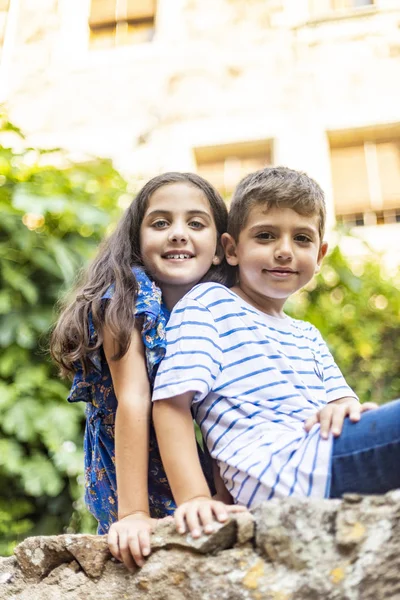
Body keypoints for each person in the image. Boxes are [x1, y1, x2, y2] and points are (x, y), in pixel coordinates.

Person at [152, 166, 400, 538]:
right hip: (288, 472)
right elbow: (171, 404)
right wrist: (195, 498)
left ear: (319, 256)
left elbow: (344, 401)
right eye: (266, 236)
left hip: (325, 455)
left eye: (302, 239)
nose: (284, 251)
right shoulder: (209, 305)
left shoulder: (307, 334)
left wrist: (341, 406)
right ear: (231, 249)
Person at [50, 171, 242, 569]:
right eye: (160, 223)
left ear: (222, 248)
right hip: (133, 471)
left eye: (195, 223)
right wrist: (133, 513)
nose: (177, 233)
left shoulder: (223, 307)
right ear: (137, 242)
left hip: (193, 469)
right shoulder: (128, 297)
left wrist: (225, 498)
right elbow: (133, 400)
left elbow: (225, 410)